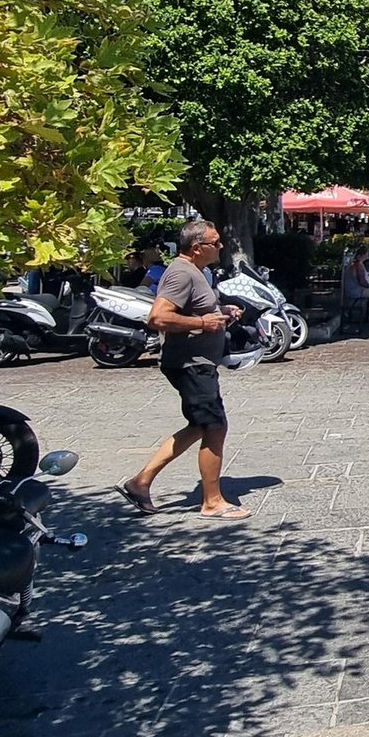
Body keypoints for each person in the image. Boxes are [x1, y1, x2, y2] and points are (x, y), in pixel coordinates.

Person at [120, 218, 247, 519]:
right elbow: (158, 318)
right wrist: (203, 323)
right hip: (190, 365)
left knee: (200, 425)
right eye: (215, 243)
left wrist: (221, 312)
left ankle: (141, 482)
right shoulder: (180, 273)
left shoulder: (196, 271)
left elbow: (195, 309)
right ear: (196, 247)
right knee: (214, 426)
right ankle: (212, 502)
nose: (220, 247)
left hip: (199, 363)